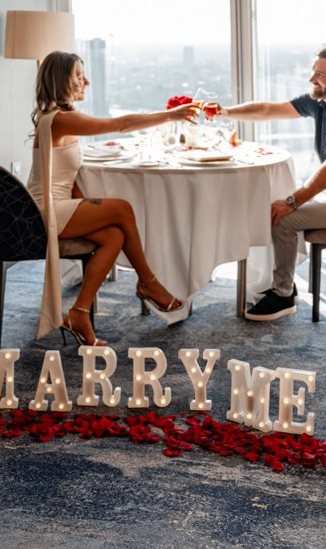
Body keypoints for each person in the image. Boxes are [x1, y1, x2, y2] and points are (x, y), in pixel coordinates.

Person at [27, 50, 200, 346]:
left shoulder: (56, 119)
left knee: (114, 236)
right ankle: (148, 283)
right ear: (60, 81)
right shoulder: (61, 120)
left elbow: (66, 179)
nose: (87, 82)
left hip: (54, 206)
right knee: (122, 208)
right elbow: (120, 125)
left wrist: (89, 206)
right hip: (45, 211)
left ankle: (79, 312)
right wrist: (169, 115)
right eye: (79, 76)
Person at [218, 45, 326, 321]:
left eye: (320, 74)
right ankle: (285, 282)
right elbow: (267, 110)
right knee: (277, 206)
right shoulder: (320, 102)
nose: (312, 80)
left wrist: (293, 201)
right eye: (313, 72)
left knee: (283, 218)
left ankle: (283, 294)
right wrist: (225, 112)